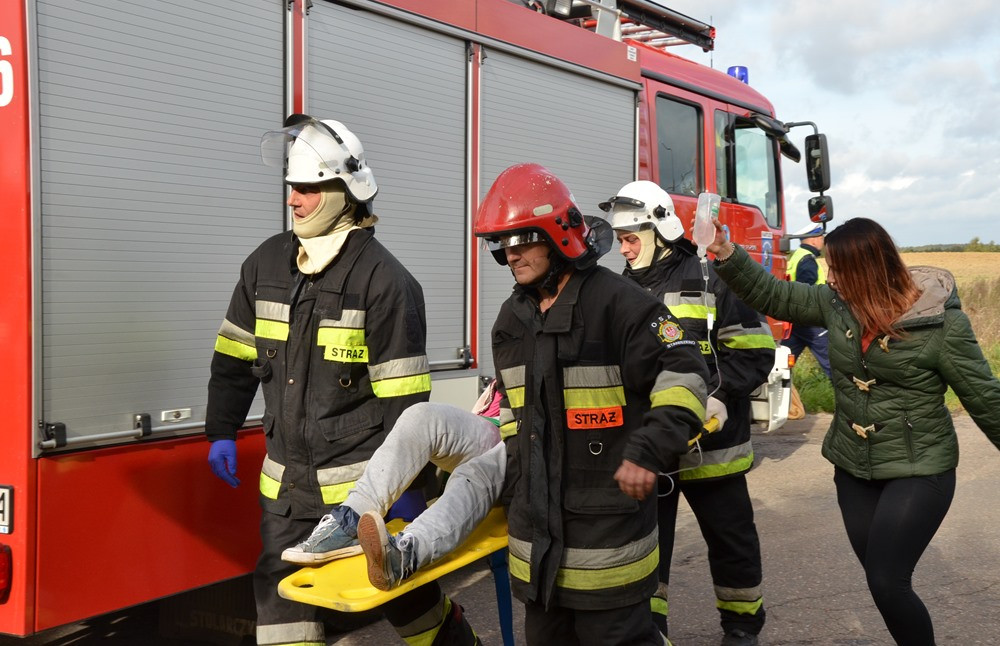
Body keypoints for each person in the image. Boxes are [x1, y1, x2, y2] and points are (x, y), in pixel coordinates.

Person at [205, 114, 477, 646]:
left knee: (409, 603)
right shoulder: (265, 265)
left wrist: (405, 491)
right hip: (286, 497)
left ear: (342, 191)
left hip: (362, 497)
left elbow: (406, 405)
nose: (294, 200)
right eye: (292, 189)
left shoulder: (385, 282)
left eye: (306, 189)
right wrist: (220, 430)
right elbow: (234, 358)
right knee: (283, 609)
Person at [706, 216, 1000, 646]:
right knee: (881, 581)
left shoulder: (940, 324)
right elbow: (774, 294)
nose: (831, 278)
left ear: (868, 269)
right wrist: (726, 252)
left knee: (887, 580)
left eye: (838, 269)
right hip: (853, 465)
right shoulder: (836, 303)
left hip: (920, 469)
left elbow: (985, 396)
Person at [458, 163, 709, 645]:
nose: (511, 254)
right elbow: (513, 418)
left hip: (608, 547)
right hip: (539, 555)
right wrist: (512, 485)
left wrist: (648, 450)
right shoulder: (511, 321)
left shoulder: (620, 304)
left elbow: (685, 369)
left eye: (522, 239)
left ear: (558, 236)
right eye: (502, 244)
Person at [600, 181, 775, 646]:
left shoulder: (710, 277)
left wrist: (716, 396)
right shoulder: (616, 290)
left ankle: (742, 629)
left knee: (731, 541)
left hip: (714, 446)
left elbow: (756, 352)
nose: (623, 247)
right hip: (653, 447)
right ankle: (651, 632)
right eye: (619, 239)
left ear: (659, 229)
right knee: (648, 549)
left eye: (631, 237)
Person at [282, 382, 508, 600]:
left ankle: (402, 556)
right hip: (496, 422)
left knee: (477, 472)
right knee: (420, 416)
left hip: (527, 443)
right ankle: (349, 523)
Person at [783, 222, 831, 378]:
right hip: (812, 322)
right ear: (813, 240)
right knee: (834, 365)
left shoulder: (796, 257)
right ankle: (849, 397)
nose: (823, 241)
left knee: (782, 363)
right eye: (821, 237)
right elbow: (806, 291)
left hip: (796, 320)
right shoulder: (807, 260)